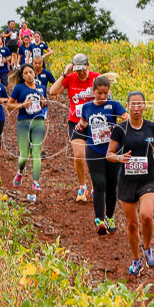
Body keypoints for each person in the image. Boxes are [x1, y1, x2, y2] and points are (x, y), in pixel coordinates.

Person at [107, 91, 154, 276]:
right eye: (132, 105)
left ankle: (147, 249)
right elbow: (109, 154)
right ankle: (136, 260)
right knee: (132, 224)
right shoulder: (120, 129)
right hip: (127, 180)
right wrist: (119, 158)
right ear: (128, 107)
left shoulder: (152, 128)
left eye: (139, 104)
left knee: (146, 216)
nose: (136, 108)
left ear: (144, 106)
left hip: (148, 178)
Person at [78, 77, 127, 234]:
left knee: (112, 186)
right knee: (99, 184)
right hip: (94, 149)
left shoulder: (114, 105)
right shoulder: (86, 107)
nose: (102, 96)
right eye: (99, 93)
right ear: (93, 92)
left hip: (113, 150)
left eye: (105, 93)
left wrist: (112, 128)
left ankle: (110, 217)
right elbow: (84, 121)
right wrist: (81, 125)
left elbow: (127, 119)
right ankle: (99, 220)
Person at [50, 53, 99, 202]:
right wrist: (65, 73)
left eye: (83, 70)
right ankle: (82, 187)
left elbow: (106, 95)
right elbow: (52, 92)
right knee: (79, 155)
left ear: (88, 66)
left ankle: (97, 187)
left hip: (94, 123)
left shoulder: (95, 77)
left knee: (95, 157)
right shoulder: (70, 78)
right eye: (78, 70)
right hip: (75, 122)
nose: (81, 73)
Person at [7, 64, 49, 201]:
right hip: (24, 122)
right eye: (26, 73)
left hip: (38, 122)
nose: (30, 74)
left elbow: (45, 104)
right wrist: (22, 105)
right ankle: (20, 172)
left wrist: (44, 102)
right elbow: (9, 105)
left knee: (37, 153)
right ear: (23, 76)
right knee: (24, 156)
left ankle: (36, 181)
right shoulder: (19, 88)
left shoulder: (41, 88)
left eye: (31, 72)